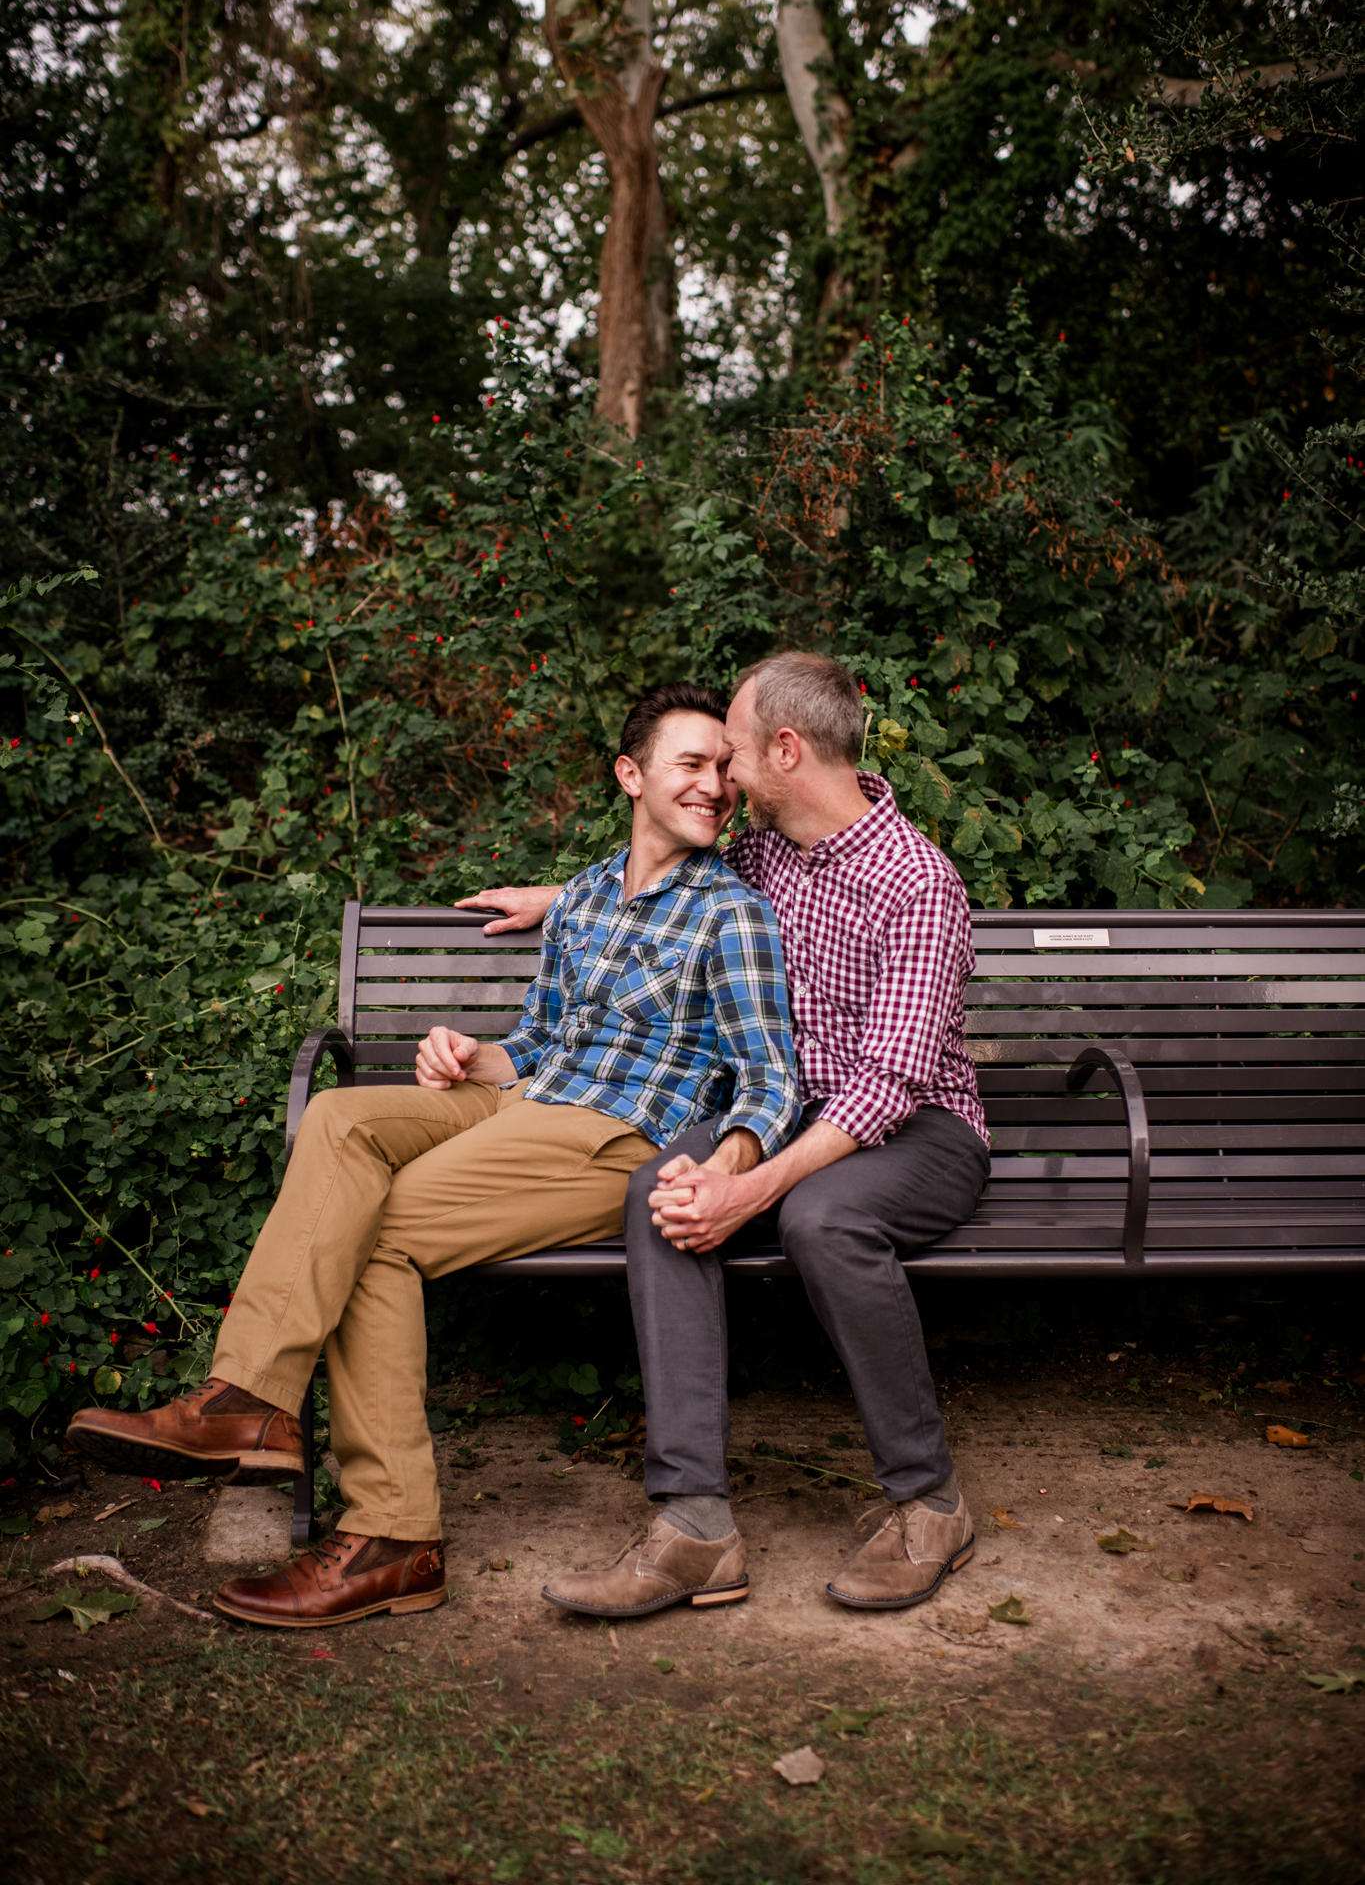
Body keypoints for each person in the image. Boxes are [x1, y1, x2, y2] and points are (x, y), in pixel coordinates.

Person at [66, 683, 799, 1628]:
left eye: (721, 770)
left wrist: (729, 1166)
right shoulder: (582, 895)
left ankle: (392, 1535)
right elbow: (537, 1044)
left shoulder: (730, 913)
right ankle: (246, 1400)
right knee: (339, 1117)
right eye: (689, 765)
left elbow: (769, 1078)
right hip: (523, 1099)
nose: (713, 786)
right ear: (631, 775)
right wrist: (462, 1051)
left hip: (610, 1135)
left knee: (376, 1235)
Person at [468, 653, 990, 1617]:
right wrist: (555, 900)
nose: (719, 776)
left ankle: (929, 1503)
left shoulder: (918, 883)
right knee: (661, 1190)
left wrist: (750, 1186)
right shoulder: (764, 850)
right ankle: (694, 1528)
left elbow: (886, 1085)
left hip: (917, 1132)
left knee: (821, 1220)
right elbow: (653, 869)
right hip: (788, 1111)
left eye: (734, 753)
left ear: (785, 750)